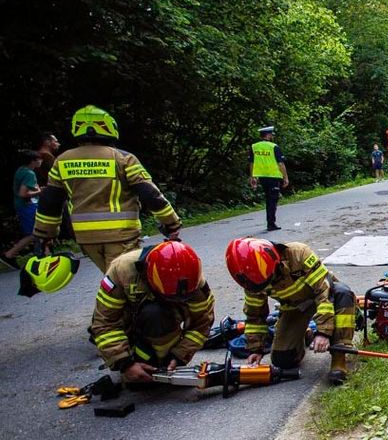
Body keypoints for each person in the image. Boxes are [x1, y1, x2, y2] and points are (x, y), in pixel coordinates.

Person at [35, 105, 182, 273]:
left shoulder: (62, 161)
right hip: (121, 235)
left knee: (113, 279)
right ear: (109, 127)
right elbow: (150, 194)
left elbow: (50, 202)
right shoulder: (122, 158)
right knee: (130, 285)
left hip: (85, 237)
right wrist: (172, 223)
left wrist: (44, 236)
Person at [225, 237, 355, 384]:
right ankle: (306, 335)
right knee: (283, 360)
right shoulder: (252, 280)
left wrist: (323, 332)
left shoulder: (299, 254)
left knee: (343, 293)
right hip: (295, 307)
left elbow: (324, 293)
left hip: (325, 296)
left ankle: (339, 358)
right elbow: (255, 316)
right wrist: (256, 349)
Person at [89, 240, 215, 383]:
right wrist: (125, 363)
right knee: (154, 312)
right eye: (171, 297)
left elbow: (202, 324)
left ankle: (162, 364)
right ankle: (137, 360)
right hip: (129, 325)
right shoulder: (121, 271)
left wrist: (179, 355)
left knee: (158, 315)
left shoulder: (195, 283)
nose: (178, 300)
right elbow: (105, 323)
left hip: (163, 320)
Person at [3, 150, 43, 268]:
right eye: (38, 159)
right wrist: (40, 191)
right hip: (27, 205)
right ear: (32, 161)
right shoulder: (29, 174)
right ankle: (9, 254)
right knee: (34, 233)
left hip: (23, 205)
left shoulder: (21, 170)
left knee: (37, 231)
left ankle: (40, 255)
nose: (41, 161)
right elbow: (23, 193)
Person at [249, 126, 289, 232]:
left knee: (268, 198)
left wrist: (252, 176)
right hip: (273, 176)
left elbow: (251, 163)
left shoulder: (254, 147)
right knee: (272, 200)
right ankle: (271, 223)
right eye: (271, 134)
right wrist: (285, 177)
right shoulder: (274, 147)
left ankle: (270, 222)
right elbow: (280, 163)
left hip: (262, 177)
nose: (272, 136)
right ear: (268, 135)